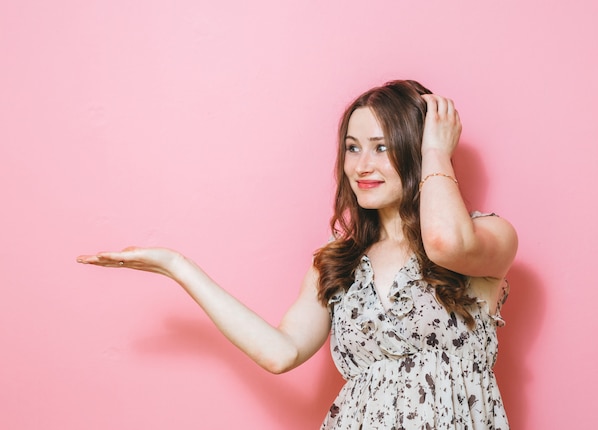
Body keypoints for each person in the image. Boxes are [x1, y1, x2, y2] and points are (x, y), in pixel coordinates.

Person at [77, 79, 518, 429]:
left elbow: (444, 242)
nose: (361, 164)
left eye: (382, 146)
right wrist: (178, 266)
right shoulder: (338, 262)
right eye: (352, 146)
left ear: (417, 148)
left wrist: (437, 149)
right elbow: (280, 352)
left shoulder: (488, 235)